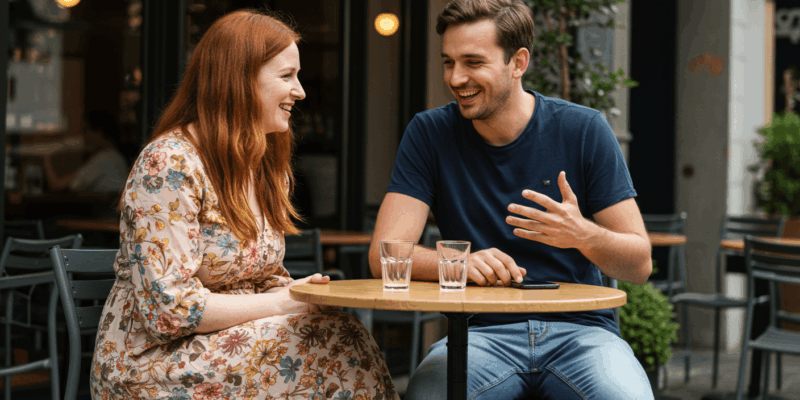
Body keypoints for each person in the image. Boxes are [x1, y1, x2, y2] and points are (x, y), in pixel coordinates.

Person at [90, 10, 398, 400]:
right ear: (238, 80)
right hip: (154, 363)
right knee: (329, 345)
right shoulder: (169, 163)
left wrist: (301, 295)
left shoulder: (264, 166)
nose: (300, 91)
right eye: (286, 76)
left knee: (338, 328)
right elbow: (169, 311)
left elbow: (264, 278)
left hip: (236, 345)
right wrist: (283, 303)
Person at [369, 0, 654, 398]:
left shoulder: (584, 129)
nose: (456, 77)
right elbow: (385, 255)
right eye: (448, 62)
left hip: (582, 332)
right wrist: (459, 262)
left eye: (473, 62)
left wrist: (581, 234)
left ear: (518, 62)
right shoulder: (429, 133)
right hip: (478, 335)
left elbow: (639, 264)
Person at [43, 110, 129, 193]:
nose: (84, 137)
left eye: (86, 130)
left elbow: (56, 186)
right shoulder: (115, 157)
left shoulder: (105, 158)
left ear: (99, 132)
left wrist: (46, 156)